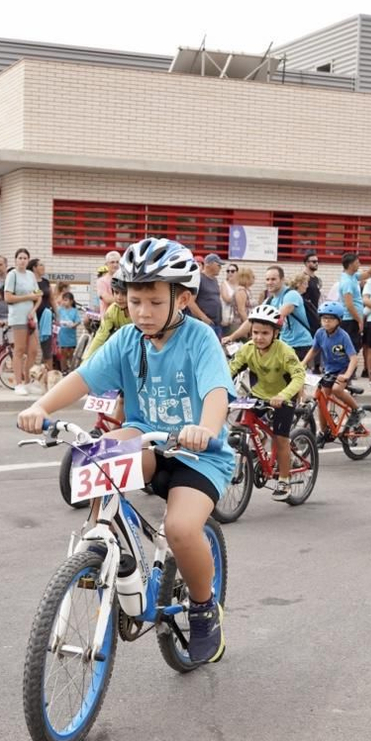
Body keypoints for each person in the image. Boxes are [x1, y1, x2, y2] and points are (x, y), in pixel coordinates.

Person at [17, 238, 231, 663]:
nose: (143, 312)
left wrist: (205, 429)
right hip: (147, 435)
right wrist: (41, 407)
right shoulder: (127, 340)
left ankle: (204, 609)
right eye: (135, 301)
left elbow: (216, 393)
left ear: (182, 299)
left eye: (154, 302)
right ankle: (99, 546)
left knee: (180, 529)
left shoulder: (200, 338)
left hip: (198, 452)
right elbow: (83, 378)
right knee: (100, 452)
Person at [230, 304, 307, 502]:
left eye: (265, 333)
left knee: (280, 439)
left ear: (275, 333)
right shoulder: (247, 349)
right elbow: (230, 369)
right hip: (258, 394)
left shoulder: (284, 351)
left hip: (283, 397)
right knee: (238, 428)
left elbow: (299, 376)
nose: (259, 337)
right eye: (255, 332)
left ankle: (284, 480)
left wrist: (283, 395)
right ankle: (259, 438)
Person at [302, 301, 363, 427]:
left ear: (339, 321)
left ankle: (357, 410)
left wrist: (346, 375)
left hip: (344, 369)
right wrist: (302, 363)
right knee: (321, 402)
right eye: (324, 318)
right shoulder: (320, 333)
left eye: (331, 319)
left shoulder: (343, 336)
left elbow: (353, 358)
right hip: (329, 370)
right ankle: (323, 432)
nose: (326, 321)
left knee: (336, 389)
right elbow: (314, 350)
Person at [3, 248, 39, 394]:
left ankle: (28, 381)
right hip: (18, 316)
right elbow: (8, 297)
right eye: (20, 258)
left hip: (31, 317)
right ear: (16, 260)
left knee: (33, 350)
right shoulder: (12, 275)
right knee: (19, 350)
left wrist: (34, 309)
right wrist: (28, 297)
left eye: (25, 258)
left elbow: (37, 295)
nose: (23, 261)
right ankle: (18, 383)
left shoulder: (31, 275)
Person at [335, 253, 366, 348]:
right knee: (349, 347)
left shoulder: (353, 276)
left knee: (352, 347)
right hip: (349, 320)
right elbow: (349, 305)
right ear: (350, 265)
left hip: (353, 319)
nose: (359, 264)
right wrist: (359, 320)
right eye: (357, 262)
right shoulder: (347, 282)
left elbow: (368, 274)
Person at [188, 252, 225, 329]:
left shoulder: (215, 280)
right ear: (209, 264)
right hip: (204, 324)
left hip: (216, 323)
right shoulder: (199, 278)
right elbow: (190, 302)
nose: (220, 268)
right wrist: (203, 318)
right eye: (218, 265)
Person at [54, 290, 81, 371]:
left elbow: (78, 321)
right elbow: (56, 320)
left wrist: (73, 325)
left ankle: (71, 370)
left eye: (66, 300)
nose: (64, 302)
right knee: (63, 354)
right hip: (62, 335)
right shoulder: (60, 310)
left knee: (71, 353)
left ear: (71, 301)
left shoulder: (74, 311)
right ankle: (63, 370)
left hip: (71, 335)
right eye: (63, 300)